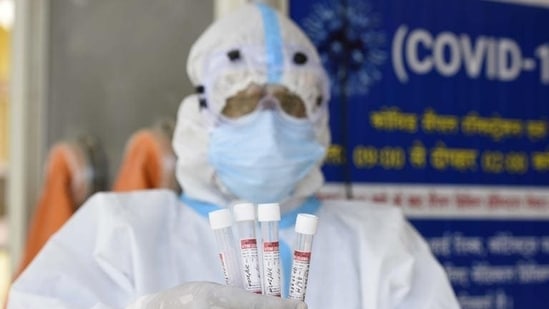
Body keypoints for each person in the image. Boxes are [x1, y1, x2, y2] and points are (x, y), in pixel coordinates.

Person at [7, 3, 460, 309]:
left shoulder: (381, 245)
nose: (268, 121)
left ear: (319, 119)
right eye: (241, 102)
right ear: (200, 114)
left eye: (291, 103)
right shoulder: (118, 231)